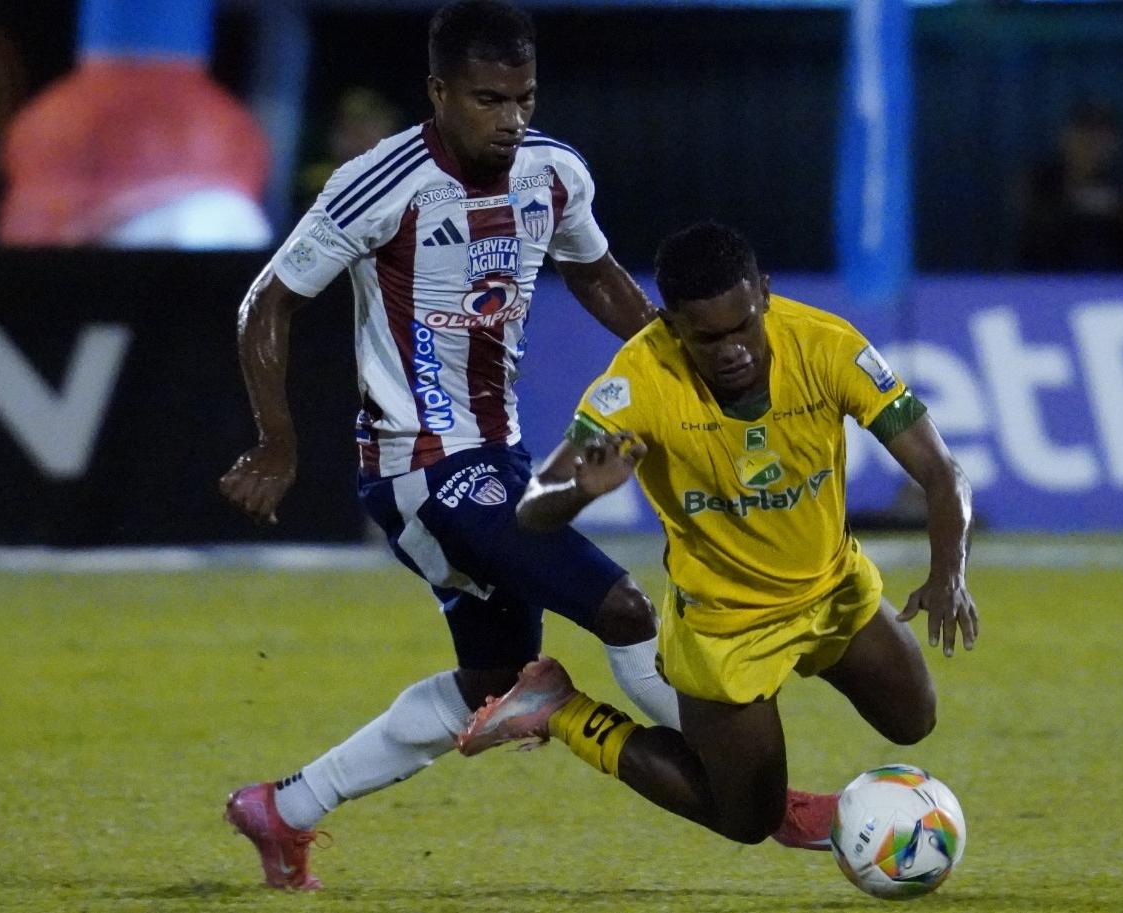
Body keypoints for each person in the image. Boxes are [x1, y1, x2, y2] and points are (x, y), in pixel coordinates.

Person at [216, 1, 821, 891]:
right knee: (624, 612)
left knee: (491, 677)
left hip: (499, 457)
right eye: (489, 99)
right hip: (417, 466)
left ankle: (283, 808)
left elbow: (597, 274)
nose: (512, 118)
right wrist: (276, 441)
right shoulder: (376, 183)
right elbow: (267, 302)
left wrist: (686, 384)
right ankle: (768, 798)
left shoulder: (553, 174)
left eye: (524, 98)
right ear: (439, 92)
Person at [457, 222, 979, 849]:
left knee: (914, 720)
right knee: (747, 821)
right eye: (709, 338)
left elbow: (940, 471)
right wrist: (580, 491)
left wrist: (949, 573)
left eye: (744, 326)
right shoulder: (638, 382)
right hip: (726, 627)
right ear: (673, 326)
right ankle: (561, 709)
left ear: (763, 291)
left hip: (833, 588)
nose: (734, 350)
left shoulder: (827, 346)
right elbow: (531, 510)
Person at [1015, 99, 1123, 271]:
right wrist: (1077, 202)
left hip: (1107, 286)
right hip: (1045, 283)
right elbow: (1031, 230)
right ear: (1067, 136)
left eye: (1102, 137)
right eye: (1085, 134)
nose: (1092, 144)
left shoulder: (1121, 190)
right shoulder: (1039, 180)